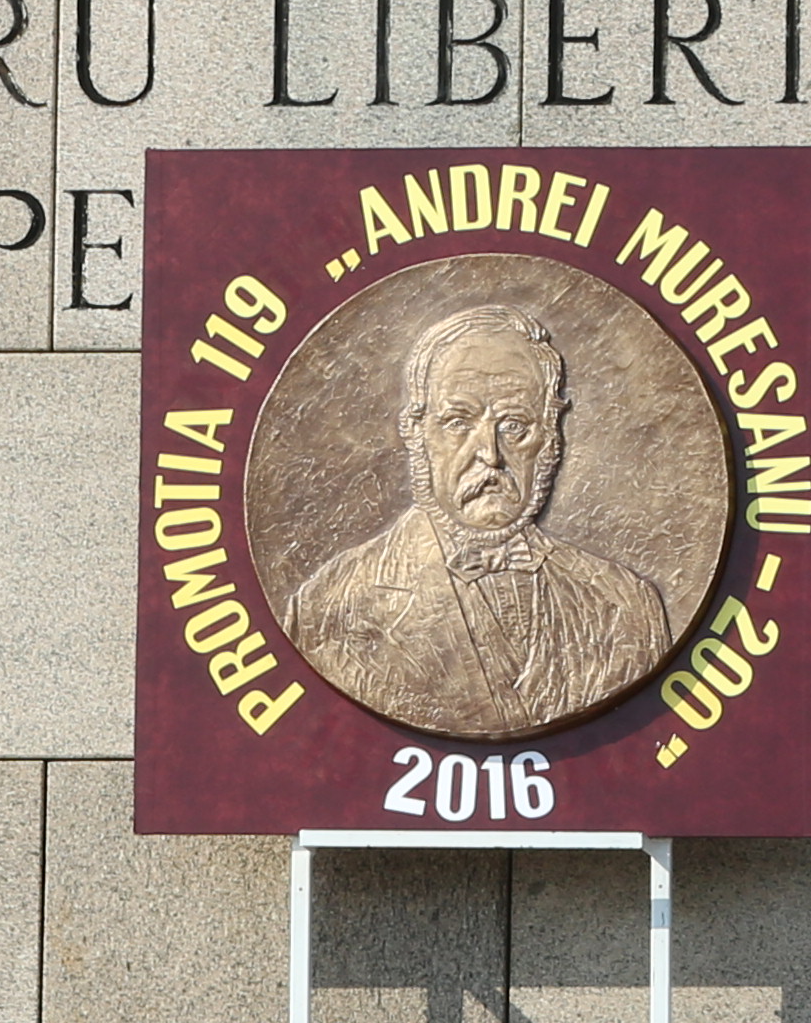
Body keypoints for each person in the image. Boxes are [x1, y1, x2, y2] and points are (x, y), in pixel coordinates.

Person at [279, 302, 679, 741]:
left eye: (514, 425)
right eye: (457, 421)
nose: (489, 453)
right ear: (416, 432)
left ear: (551, 437)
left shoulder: (625, 606)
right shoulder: (333, 606)